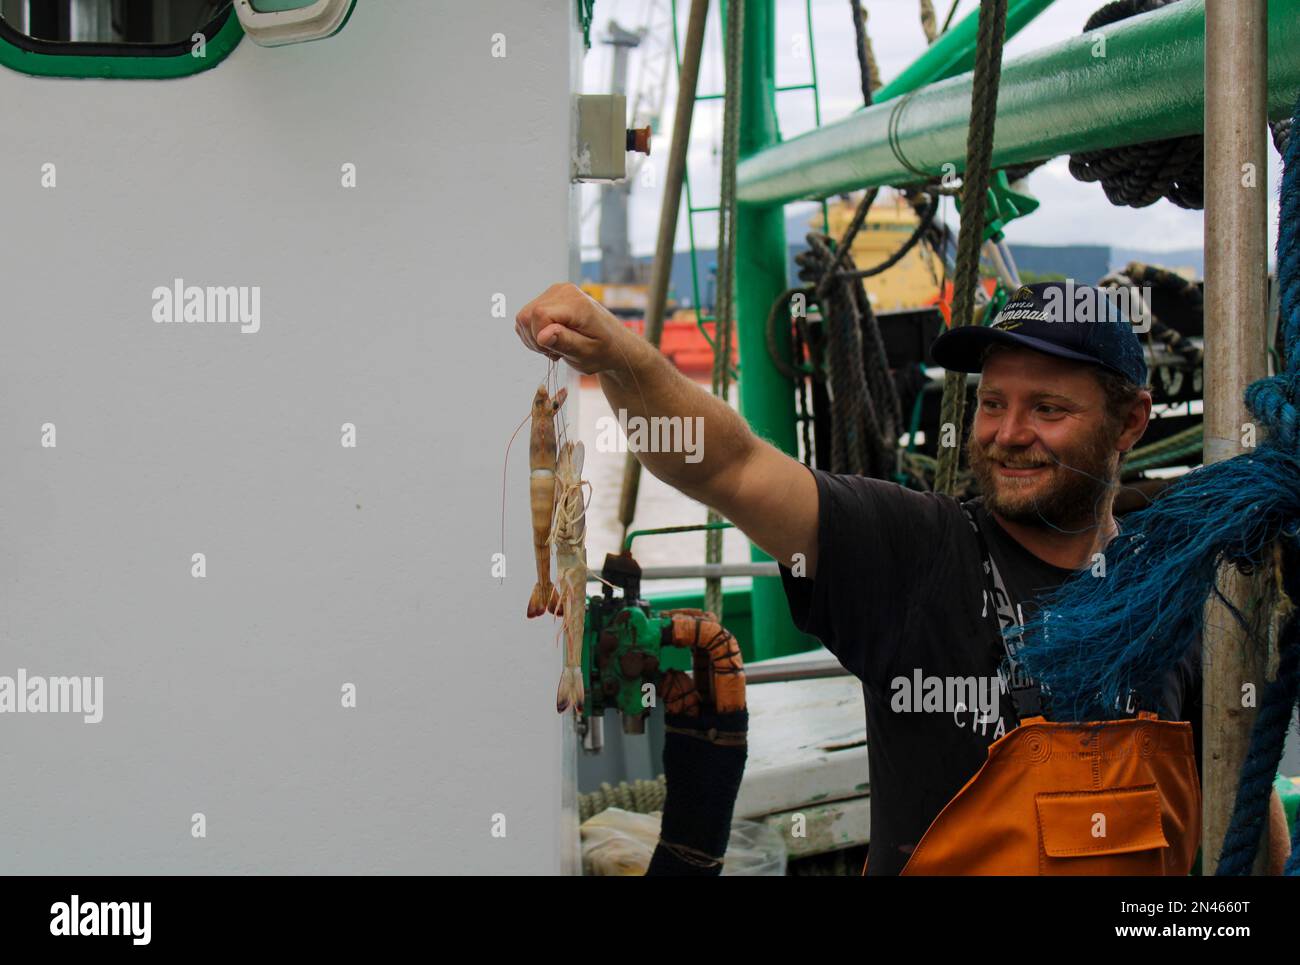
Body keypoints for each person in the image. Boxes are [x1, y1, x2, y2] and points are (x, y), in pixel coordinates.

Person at [514, 280, 1291, 875]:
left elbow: (1243, 805)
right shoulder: (916, 553)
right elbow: (729, 465)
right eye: (992, 403)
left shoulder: (1180, 590)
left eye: (1047, 408)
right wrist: (619, 354)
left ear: (1130, 423)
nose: (1009, 434)